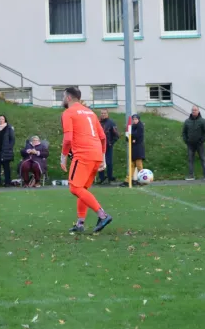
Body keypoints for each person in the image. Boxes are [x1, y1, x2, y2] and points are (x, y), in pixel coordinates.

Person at [60, 87, 112, 233]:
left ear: (68, 97)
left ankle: (103, 215)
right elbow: (103, 137)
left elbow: (68, 139)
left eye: (63, 96)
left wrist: (63, 157)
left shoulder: (68, 113)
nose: (63, 99)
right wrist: (102, 158)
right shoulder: (90, 112)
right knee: (82, 189)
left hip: (83, 154)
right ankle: (80, 223)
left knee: (75, 188)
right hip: (95, 154)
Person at [182, 106, 205, 181]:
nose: (194, 111)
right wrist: (186, 140)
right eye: (193, 110)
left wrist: (202, 140)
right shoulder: (187, 121)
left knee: (203, 159)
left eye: (195, 110)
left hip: (199, 144)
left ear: (198, 111)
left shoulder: (202, 121)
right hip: (190, 144)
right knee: (190, 160)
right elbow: (184, 132)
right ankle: (191, 175)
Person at [120, 114, 145, 187]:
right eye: (133, 119)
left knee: (139, 166)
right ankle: (127, 181)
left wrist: (133, 138)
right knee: (132, 165)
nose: (134, 120)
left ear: (138, 119)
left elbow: (137, 135)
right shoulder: (132, 127)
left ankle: (142, 180)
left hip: (138, 149)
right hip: (133, 149)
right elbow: (128, 137)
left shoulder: (140, 126)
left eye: (136, 119)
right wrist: (132, 138)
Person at [98, 109, 119, 184]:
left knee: (109, 162)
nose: (103, 114)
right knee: (100, 162)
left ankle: (110, 177)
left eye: (104, 113)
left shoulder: (111, 123)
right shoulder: (98, 122)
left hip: (108, 145)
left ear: (107, 114)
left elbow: (116, 135)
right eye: (102, 113)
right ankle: (101, 178)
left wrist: (111, 143)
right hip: (99, 146)